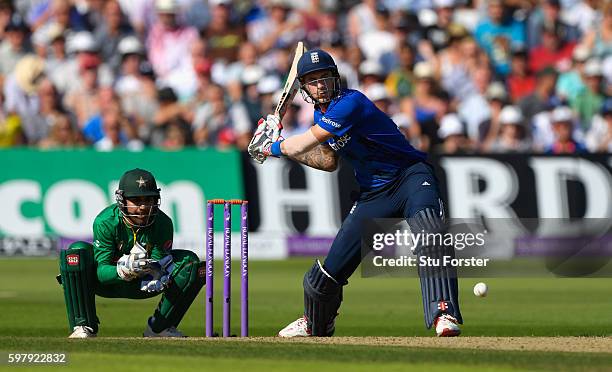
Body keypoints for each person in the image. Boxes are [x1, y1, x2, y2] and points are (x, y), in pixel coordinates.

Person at [248, 49, 462, 338]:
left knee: (430, 232)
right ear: (305, 88)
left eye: (325, 77)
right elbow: (327, 161)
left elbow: (301, 145)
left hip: (410, 176)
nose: (320, 84)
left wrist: (271, 146)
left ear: (336, 77)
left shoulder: (351, 103)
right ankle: (316, 323)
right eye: (312, 80)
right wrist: (281, 144)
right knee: (326, 274)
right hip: (374, 194)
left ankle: (444, 313)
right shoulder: (320, 113)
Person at [57, 168, 205, 338]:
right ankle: (83, 326)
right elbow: (101, 271)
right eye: (136, 200)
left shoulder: (163, 223)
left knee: (190, 261)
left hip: (143, 285)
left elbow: (159, 260)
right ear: (122, 199)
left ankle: (160, 328)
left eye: (149, 199)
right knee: (76, 251)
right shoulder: (105, 222)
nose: (143, 207)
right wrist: (123, 270)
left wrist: (155, 271)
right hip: (107, 283)